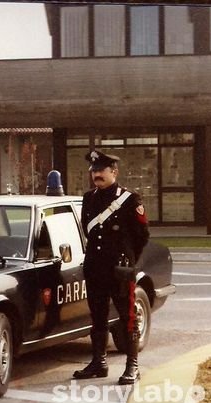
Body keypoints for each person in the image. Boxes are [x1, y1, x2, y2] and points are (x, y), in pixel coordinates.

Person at [74, 150, 149, 385]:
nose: (96, 174)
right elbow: (88, 231)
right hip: (95, 267)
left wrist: (127, 260)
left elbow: (142, 236)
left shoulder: (129, 199)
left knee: (127, 317)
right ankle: (99, 362)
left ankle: (132, 366)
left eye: (101, 170)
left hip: (119, 269)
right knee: (97, 316)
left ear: (113, 172)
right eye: (94, 171)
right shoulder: (89, 198)